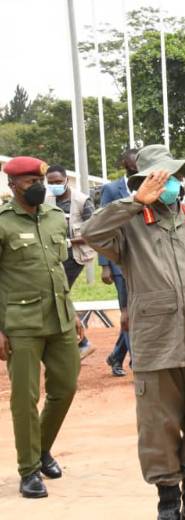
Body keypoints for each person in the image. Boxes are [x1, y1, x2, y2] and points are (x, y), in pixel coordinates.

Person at [81, 144, 185, 520]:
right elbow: (89, 232)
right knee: (157, 426)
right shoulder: (127, 226)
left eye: (173, 175)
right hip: (156, 342)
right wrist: (133, 202)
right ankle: (166, 501)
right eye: (158, 177)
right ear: (143, 181)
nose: (169, 183)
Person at [1, 156, 83, 499]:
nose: (37, 186)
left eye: (40, 180)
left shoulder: (53, 218)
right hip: (20, 323)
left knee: (65, 387)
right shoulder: (3, 223)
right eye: (29, 182)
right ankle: (29, 470)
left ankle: (41, 448)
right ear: (12, 186)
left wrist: (74, 311)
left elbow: (57, 269)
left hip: (60, 317)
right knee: (25, 398)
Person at [45, 165, 97, 360]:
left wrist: (68, 242)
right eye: (50, 183)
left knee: (58, 293)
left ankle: (82, 343)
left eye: (58, 182)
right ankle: (78, 342)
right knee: (58, 294)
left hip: (75, 256)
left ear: (66, 179)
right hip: (53, 255)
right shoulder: (46, 199)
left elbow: (93, 232)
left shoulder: (82, 201)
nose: (54, 186)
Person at [100, 148, 136, 377]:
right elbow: (103, 227)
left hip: (142, 261)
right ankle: (138, 362)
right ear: (125, 164)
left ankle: (116, 356)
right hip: (119, 262)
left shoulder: (147, 186)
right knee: (128, 313)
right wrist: (105, 265)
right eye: (134, 166)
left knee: (136, 312)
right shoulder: (112, 189)